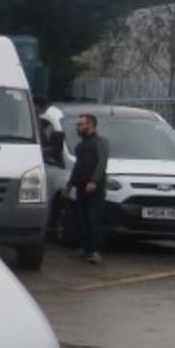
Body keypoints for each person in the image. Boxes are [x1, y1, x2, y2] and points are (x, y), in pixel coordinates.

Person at [67, 113, 110, 264]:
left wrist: (94, 181)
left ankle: (94, 251)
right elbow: (77, 167)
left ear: (90, 125)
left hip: (94, 188)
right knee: (82, 218)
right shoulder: (80, 146)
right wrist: (70, 184)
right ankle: (84, 248)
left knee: (94, 218)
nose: (77, 127)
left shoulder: (100, 143)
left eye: (80, 124)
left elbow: (101, 163)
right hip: (81, 185)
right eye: (78, 124)